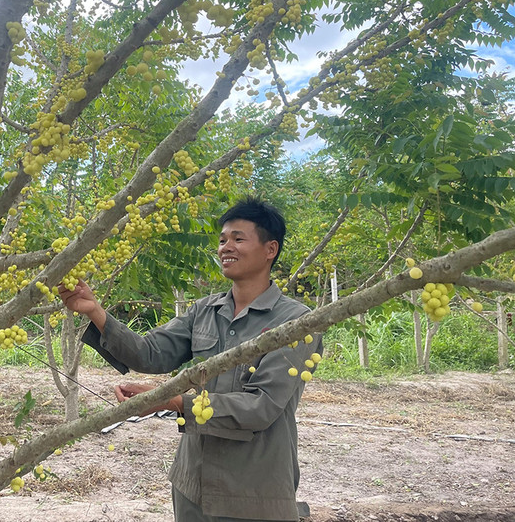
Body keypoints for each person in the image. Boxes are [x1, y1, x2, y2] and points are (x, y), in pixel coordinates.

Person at [59, 197, 321, 522]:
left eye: (238, 238)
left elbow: (261, 406)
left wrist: (172, 401)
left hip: (254, 493)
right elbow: (150, 353)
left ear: (270, 249)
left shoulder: (297, 322)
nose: (226, 247)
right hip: (191, 485)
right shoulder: (204, 311)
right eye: (222, 240)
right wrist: (95, 311)